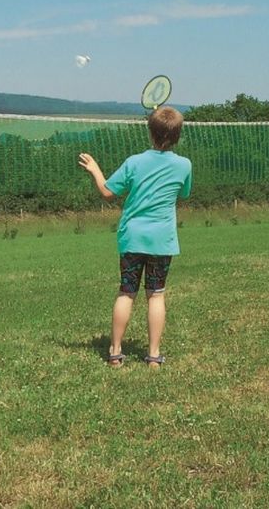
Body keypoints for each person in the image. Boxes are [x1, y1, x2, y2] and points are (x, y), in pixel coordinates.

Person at [78, 106, 192, 368]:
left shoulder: (134, 162)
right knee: (156, 294)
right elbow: (184, 194)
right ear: (177, 136)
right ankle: (153, 356)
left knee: (127, 292)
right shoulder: (184, 165)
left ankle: (115, 353)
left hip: (132, 239)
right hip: (162, 242)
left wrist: (95, 169)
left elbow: (108, 192)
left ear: (151, 133)